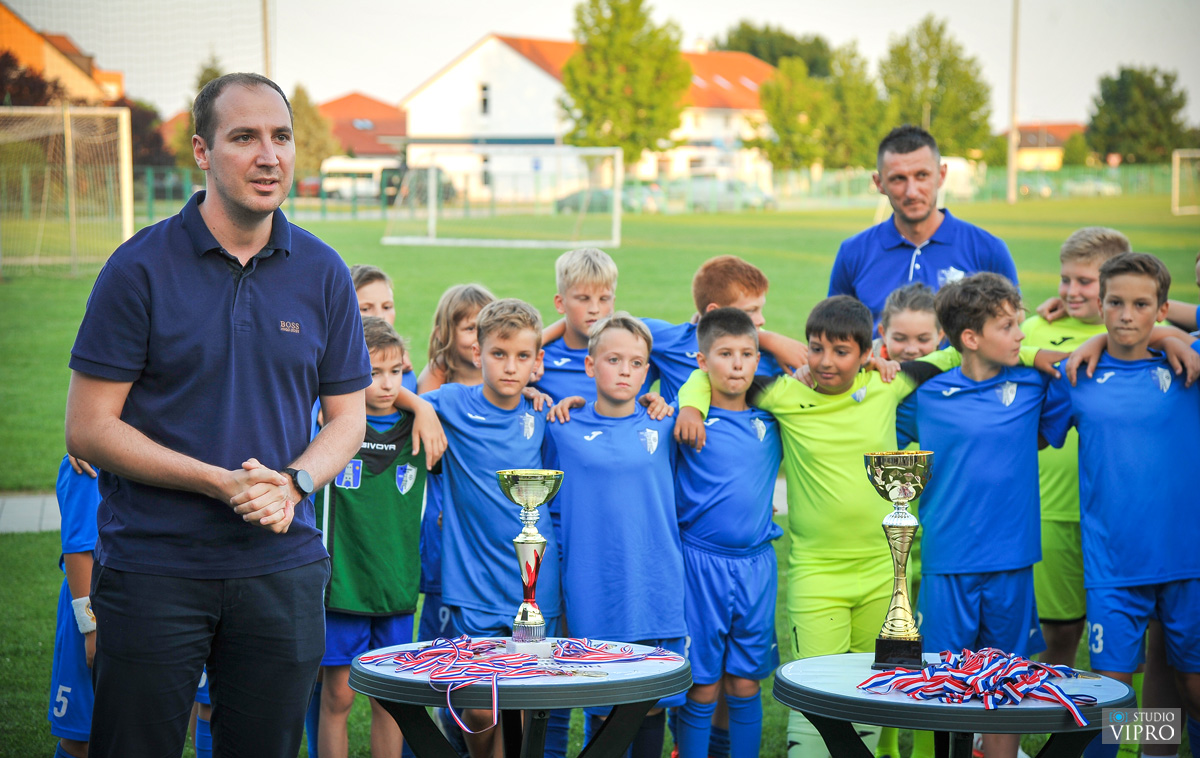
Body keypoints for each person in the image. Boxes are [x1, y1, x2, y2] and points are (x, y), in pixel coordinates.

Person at [64, 72, 371, 757]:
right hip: (153, 568)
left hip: (283, 568)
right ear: (201, 152)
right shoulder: (137, 269)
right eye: (245, 138)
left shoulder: (323, 272)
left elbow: (348, 418)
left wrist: (293, 482)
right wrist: (219, 482)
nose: (269, 156)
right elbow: (88, 427)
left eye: (282, 137)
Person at [675, 296, 949, 758]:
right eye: (815, 348)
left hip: (885, 571)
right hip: (816, 574)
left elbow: (957, 350)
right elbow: (712, 371)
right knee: (816, 689)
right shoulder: (784, 393)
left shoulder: (888, 384)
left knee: (875, 685)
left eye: (841, 351)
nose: (824, 362)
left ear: (867, 353)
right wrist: (690, 408)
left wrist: (1045, 347)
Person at [898, 273, 1069, 758]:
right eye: (1009, 326)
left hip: (1012, 560)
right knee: (946, 684)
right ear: (970, 338)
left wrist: (1036, 353)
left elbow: (1044, 431)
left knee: (1009, 680)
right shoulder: (925, 395)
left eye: (1021, 324)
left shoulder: (1037, 383)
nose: (1022, 334)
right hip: (948, 562)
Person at [1042, 253, 1200, 758]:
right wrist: (1090, 344)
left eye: (1141, 304)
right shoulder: (1077, 376)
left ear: (1163, 308)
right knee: (1112, 700)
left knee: (1194, 691)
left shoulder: (1187, 365)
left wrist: (1169, 336)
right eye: (1116, 303)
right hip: (1113, 565)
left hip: (1187, 563)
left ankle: (1166, 749)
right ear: (1101, 305)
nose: (1127, 315)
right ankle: (1139, 749)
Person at [421, 298, 566, 758]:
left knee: (521, 702)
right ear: (477, 353)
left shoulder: (542, 413)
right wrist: (421, 409)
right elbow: (395, 397)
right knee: (481, 705)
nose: (510, 367)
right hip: (474, 581)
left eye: (523, 356)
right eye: (499, 354)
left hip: (535, 583)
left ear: (537, 361)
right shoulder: (450, 404)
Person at [543, 313, 684, 758]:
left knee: (649, 704)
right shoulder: (561, 426)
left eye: (637, 362)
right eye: (613, 359)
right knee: (603, 708)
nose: (625, 370)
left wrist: (672, 405)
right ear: (590, 366)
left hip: (655, 582)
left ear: (648, 371)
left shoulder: (665, 424)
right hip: (594, 587)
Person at [670, 308, 783, 758]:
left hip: (756, 565)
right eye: (725, 354)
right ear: (702, 361)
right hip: (700, 565)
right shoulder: (686, 422)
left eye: (747, 354)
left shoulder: (773, 420)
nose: (737, 364)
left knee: (745, 681)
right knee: (702, 683)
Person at [1019, 228, 1131, 670]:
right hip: (1050, 509)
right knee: (1058, 632)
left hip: (1125, 513)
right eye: (1066, 280)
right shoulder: (1034, 329)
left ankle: (1129, 740)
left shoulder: (1149, 332)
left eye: (1085, 281)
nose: (1070, 291)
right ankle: (1052, 733)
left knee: (1132, 643)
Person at [316, 318, 428, 758]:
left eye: (395, 372)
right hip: (344, 585)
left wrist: (425, 408)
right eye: (373, 372)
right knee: (338, 697)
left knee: (391, 701)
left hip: (396, 586)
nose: (386, 384)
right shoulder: (325, 423)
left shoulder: (421, 429)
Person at [828, 125, 1018, 325]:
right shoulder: (853, 253)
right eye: (898, 179)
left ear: (941, 175)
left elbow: (1012, 328)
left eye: (922, 176)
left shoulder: (987, 250)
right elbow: (836, 334)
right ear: (879, 183)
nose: (912, 191)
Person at [871, 283, 942, 758]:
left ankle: (1137, 747)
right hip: (894, 538)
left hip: (1000, 547)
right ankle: (890, 745)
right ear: (882, 335)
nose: (913, 351)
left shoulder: (986, 367)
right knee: (898, 641)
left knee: (1055, 651)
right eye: (901, 339)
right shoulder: (871, 377)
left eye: (925, 340)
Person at [47, 455, 101, 758]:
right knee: (82, 737)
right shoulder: (88, 462)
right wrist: (90, 628)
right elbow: (78, 549)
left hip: (141, 607)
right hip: (93, 611)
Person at [533, 247, 622, 403]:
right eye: (583, 299)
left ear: (613, 303)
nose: (595, 309)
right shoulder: (538, 360)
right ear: (560, 303)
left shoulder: (635, 352)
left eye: (603, 299)